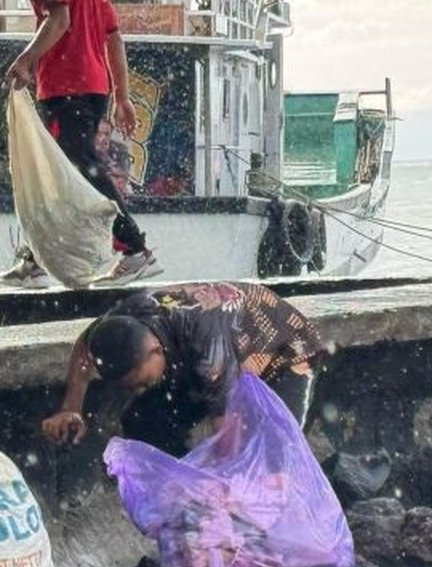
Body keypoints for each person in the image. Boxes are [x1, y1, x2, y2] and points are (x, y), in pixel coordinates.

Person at [42, 282, 323, 456]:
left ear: (154, 349)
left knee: (275, 453)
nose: (141, 389)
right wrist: (71, 407)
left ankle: (275, 539)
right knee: (143, 420)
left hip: (283, 352)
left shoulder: (208, 348)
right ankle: (185, 497)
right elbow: (84, 349)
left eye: (142, 381)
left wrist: (221, 488)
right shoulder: (126, 315)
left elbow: (227, 433)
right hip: (201, 359)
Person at [3, 0, 162, 289]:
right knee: (62, 175)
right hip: (93, 88)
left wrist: (26, 58)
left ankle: (134, 247)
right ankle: (34, 261)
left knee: (78, 175)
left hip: (65, 87)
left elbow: (59, 19)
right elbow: (113, 39)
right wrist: (122, 95)